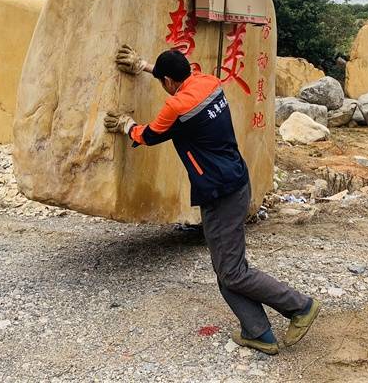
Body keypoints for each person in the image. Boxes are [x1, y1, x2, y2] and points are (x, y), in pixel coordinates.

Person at [104, 45, 321, 355]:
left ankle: (300, 307)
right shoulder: (208, 82)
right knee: (226, 269)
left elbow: (150, 135)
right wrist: (145, 66)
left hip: (221, 194)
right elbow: (174, 84)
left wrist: (127, 125)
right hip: (235, 181)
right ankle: (258, 332)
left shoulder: (177, 107)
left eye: (162, 80)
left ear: (167, 82)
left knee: (232, 272)